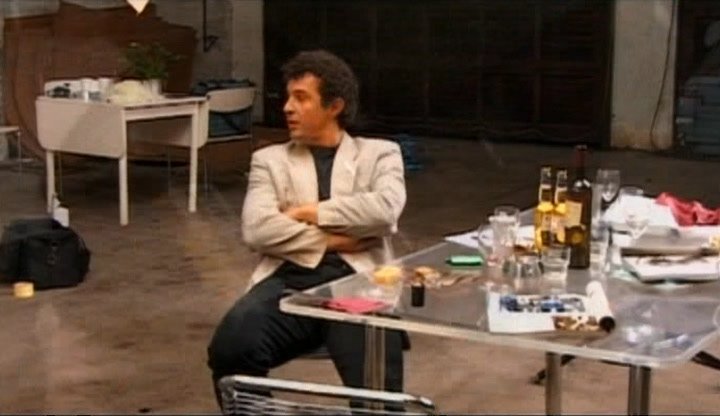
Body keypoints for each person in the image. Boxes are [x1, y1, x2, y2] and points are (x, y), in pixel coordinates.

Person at [206, 49, 407, 407]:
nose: (287, 108)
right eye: (288, 97)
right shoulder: (269, 160)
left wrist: (308, 211)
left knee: (376, 382)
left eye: (301, 98)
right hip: (287, 280)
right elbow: (257, 230)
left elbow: (384, 210)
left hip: (355, 283)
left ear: (335, 106)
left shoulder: (380, 154)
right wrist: (334, 240)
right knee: (230, 348)